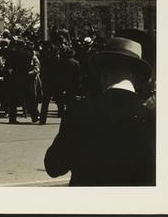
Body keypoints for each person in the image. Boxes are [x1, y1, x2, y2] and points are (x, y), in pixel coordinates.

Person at [44, 37, 156, 186]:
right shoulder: (151, 116)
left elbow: (54, 166)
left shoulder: (79, 110)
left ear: (104, 73)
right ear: (136, 77)